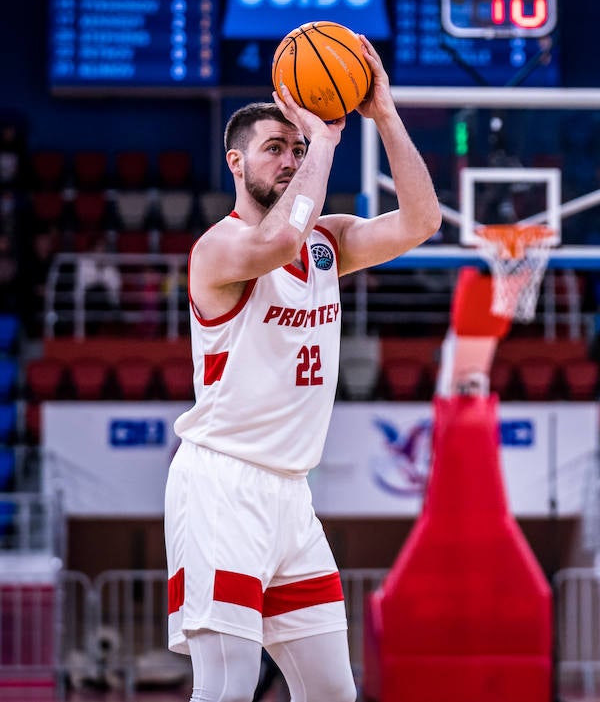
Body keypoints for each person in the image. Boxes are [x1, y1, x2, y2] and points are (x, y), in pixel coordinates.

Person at [165, 36, 439, 702]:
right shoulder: (220, 248)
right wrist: (324, 142)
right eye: (276, 148)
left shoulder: (326, 242)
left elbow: (422, 221)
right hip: (221, 484)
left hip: (292, 493)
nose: (292, 157)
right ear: (235, 161)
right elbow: (279, 237)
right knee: (228, 688)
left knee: (332, 692)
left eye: (297, 148)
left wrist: (386, 114)